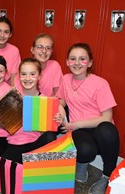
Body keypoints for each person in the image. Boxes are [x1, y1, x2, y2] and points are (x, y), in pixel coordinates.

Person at [57, 43, 119, 194]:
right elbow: (61, 99)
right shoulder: (65, 79)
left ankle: (107, 176)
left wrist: (74, 124)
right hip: (80, 131)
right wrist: (60, 109)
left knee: (107, 129)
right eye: (73, 59)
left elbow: (107, 117)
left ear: (89, 62)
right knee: (85, 150)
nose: (77, 63)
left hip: (99, 127)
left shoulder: (100, 83)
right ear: (67, 62)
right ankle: (82, 163)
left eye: (82, 59)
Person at [0, 58, 60, 163]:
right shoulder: (13, 97)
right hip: (16, 143)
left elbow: (47, 130)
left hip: (36, 145)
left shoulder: (44, 100)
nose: (27, 78)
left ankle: (34, 164)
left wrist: (55, 120)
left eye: (32, 74)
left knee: (50, 135)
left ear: (39, 76)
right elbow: (8, 123)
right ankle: (26, 164)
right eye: (23, 74)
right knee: (1, 173)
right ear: (19, 76)